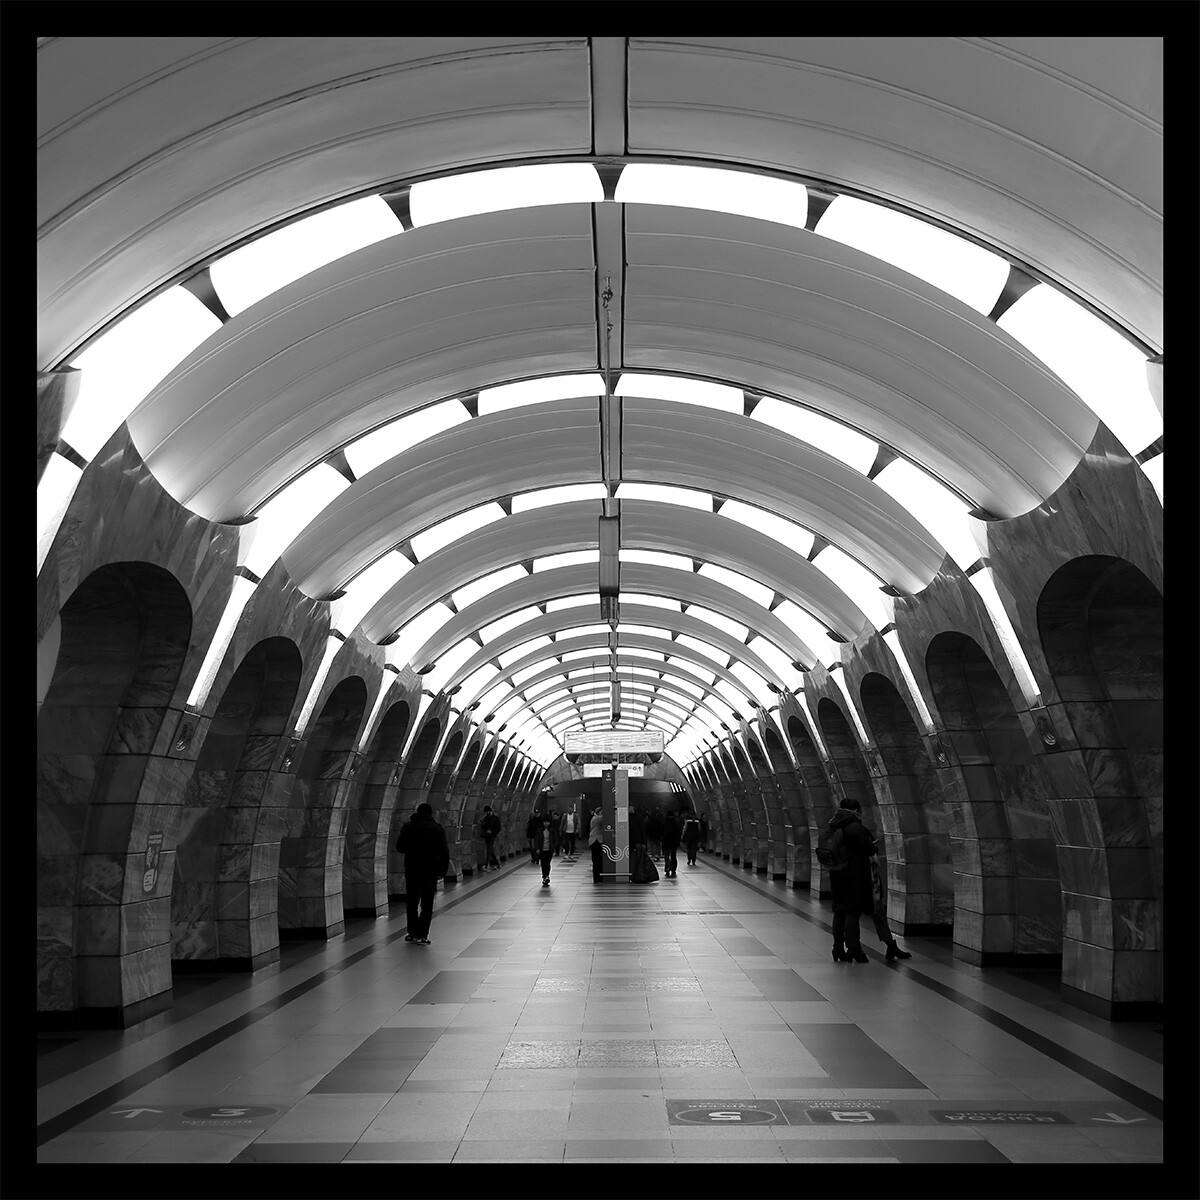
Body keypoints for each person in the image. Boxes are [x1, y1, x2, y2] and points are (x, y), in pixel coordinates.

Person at [826, 797, 877, 963]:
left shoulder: (834, 824)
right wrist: (874, 846)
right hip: (853, 873)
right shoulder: (855, 826)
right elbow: (867, 848)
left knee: (839, 911)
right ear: (855, 809)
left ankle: (838, 948)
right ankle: (854, 948)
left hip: (837, 872)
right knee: (852, 911)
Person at [396, 803, 450, 946]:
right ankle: (423, 934)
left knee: (412, 903)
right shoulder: (438, 829)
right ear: (431, 814)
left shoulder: (408, 828)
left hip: (412, 870)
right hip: (430, 871)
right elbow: (444, 852)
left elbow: (399, 847)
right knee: (427, 904)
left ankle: (412, 933)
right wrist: (442, 872)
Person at [869, 850, 912, 961]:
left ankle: (846, 947)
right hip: (868, 885)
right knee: (878, 914)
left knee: (848, 915)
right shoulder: (860, 839)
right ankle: (891, 946)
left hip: (854, 883)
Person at [535, 811, 555, 887]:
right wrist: (537, 848)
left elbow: (555, 839)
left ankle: (547, 875)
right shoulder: (540, 831)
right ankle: (544, 876)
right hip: (542, 849)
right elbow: (537, 840)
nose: (546, 823)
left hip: (549, 850)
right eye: (545, 822)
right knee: (543, 863)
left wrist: (553, 847)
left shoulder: (552, 831)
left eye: (547, 822)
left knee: (548, 863)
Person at [479, 805, 501, 871]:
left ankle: (486, 865)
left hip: (492, 836)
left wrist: (492, 832)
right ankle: (497, 864)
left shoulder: (495, 818)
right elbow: (483, 827)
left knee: (489, 849)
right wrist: (483, 825)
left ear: (489, 811)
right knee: (491, 851)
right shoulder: (486, 818)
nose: (486, 814)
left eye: (486, 812)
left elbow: (499, 828)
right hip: (487, 836)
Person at [660, 808, 681, 878]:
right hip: (674, 842)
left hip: (666, 841)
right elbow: (679, 832)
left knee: (666, 855)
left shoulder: (664, 822)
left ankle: (667, 868)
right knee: (673, 855)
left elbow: (661, 831)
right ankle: (673, 869)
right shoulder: (676, 822)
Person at [589, 805, 605, 883]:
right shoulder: (597, 818)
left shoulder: (594, 818)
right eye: (601, 812)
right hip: (596, 841)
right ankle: (597, 878)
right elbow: (605, 818)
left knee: (597, 860)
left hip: (594, 840)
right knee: (597, 861)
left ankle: (598, 877)